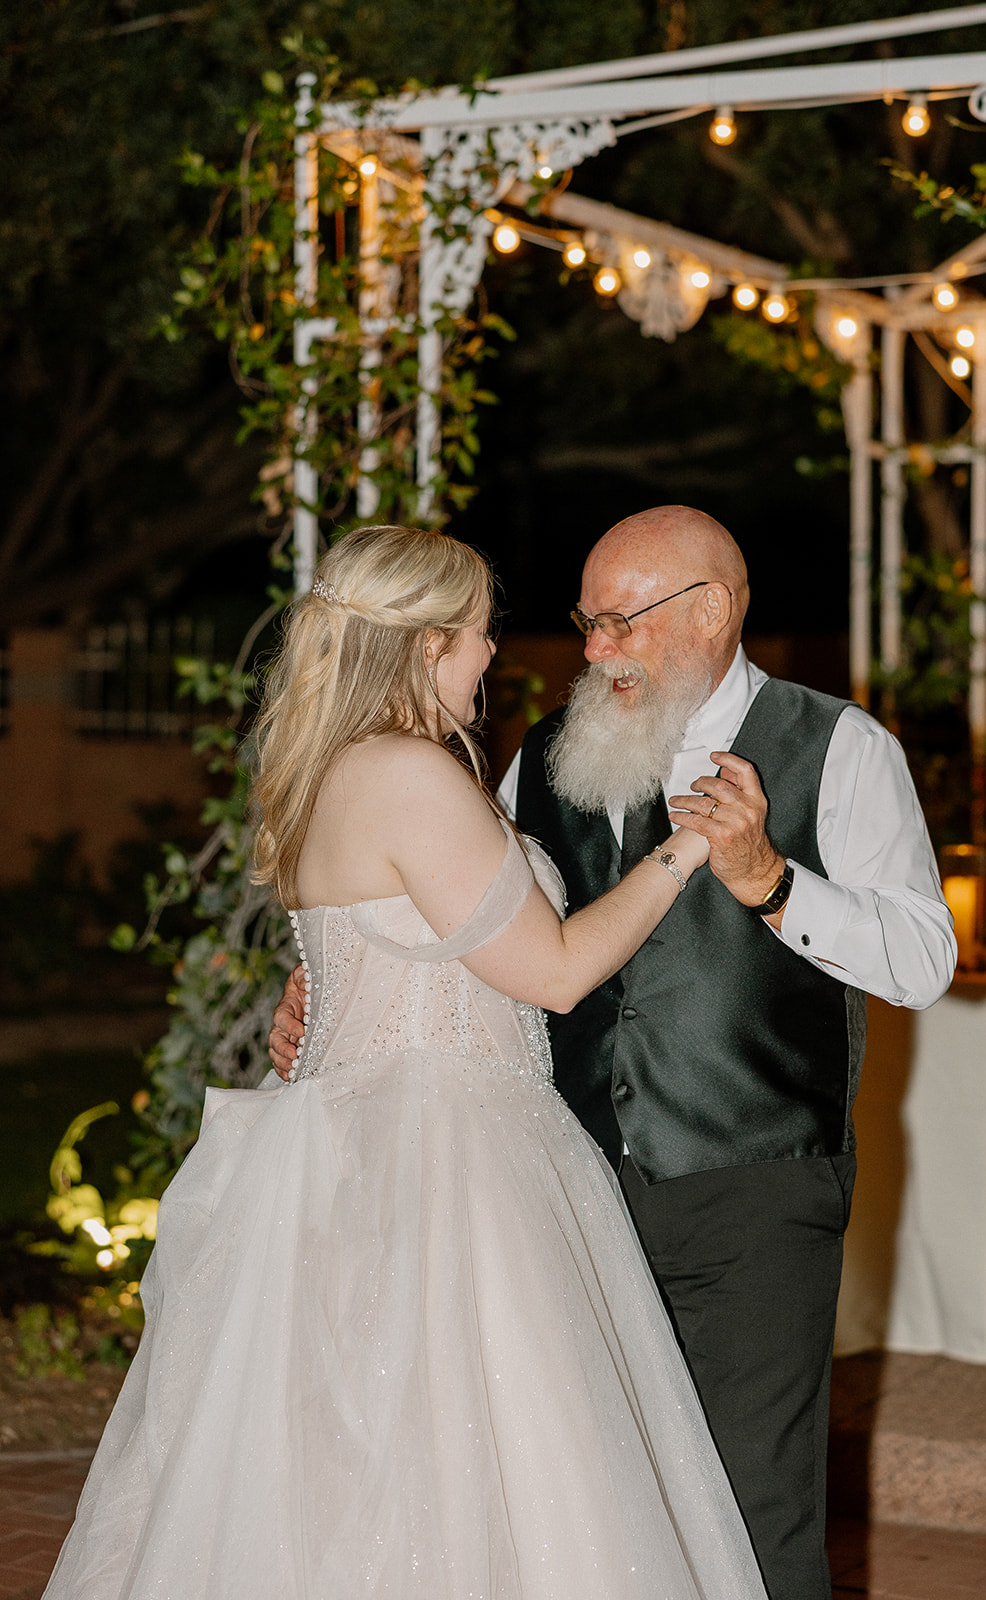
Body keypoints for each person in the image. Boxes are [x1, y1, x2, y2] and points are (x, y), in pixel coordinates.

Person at [45, 524, 767, 1600]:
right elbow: (554, 969)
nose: (492, 656)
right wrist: (687, 848)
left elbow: (374, 949)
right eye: (479, 634)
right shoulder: (407, 774)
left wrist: (311, 1003)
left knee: (339, 1467)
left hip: (346, 1141)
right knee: (466, 1459)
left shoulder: (322, 771)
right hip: (443, 1148)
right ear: (428, 644)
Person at [269, 504, 956, 1600]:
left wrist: (773, 884)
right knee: (601, 1508)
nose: (594, 650)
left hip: (752, 1183)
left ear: (714, 610)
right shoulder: (536, 753)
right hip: (563, 1189)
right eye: (586, 622)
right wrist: (332, 989)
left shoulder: (836, 746)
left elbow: (923, 958)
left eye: (621, 622)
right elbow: (462, 933)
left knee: (749, 1505)